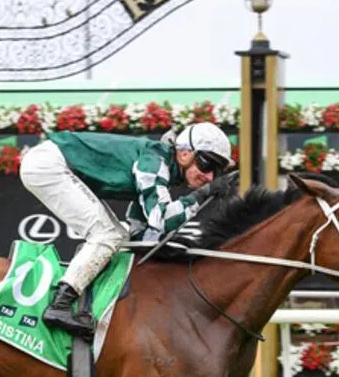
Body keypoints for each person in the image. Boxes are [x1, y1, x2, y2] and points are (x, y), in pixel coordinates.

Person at [18, 121, 234, 339]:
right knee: (107, 235)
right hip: (48, 165)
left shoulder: (162, 166)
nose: (210, 177)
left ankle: (90, 302)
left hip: (52, 163)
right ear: (185, 153)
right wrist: (201, 195)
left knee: (118, 235)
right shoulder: (153, 162)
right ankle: (60, 305)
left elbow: (139, 229)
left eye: (217, 172)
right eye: (207, 165)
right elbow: (163, 219)